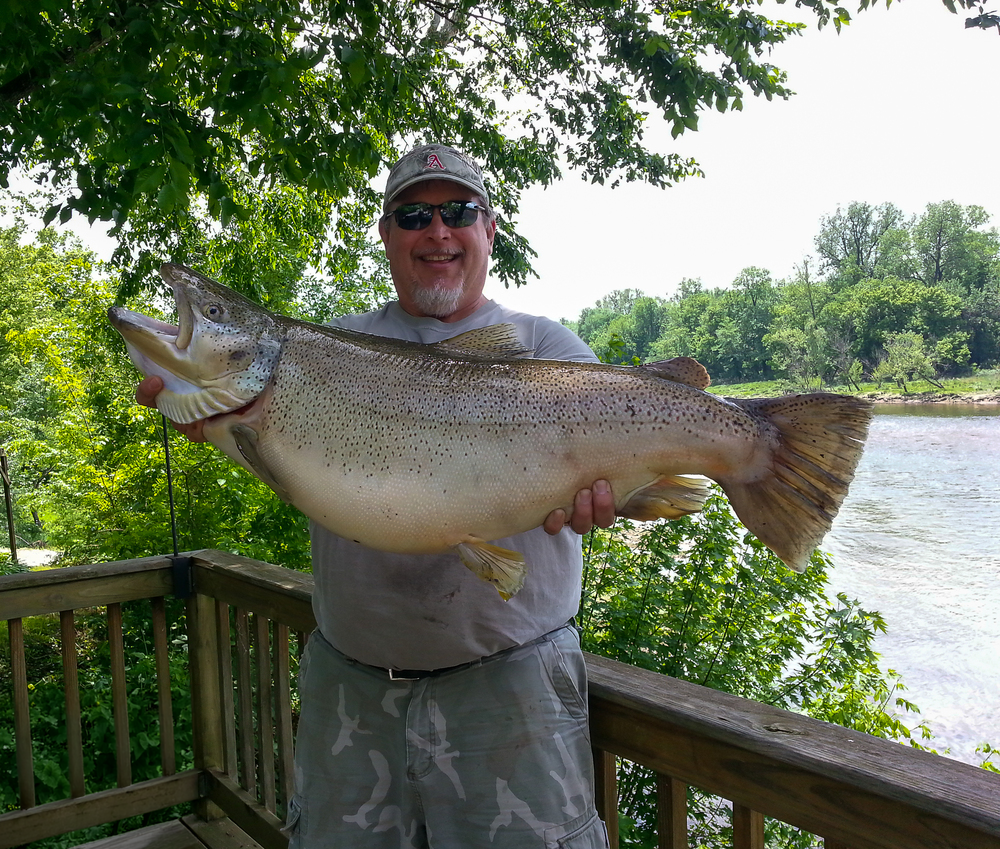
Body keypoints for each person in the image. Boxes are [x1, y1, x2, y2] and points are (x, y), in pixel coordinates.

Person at [137, 144, 615, 848]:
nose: (438, 231)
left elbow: (629, 483)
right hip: (349, 690)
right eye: (414, 214)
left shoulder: (551, 353)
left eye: (459, 211)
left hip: (512, 693)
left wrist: (615, 498)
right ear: (387, 234)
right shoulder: (331, 347)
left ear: (491, 230)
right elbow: (285, 462)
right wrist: (197, 408)